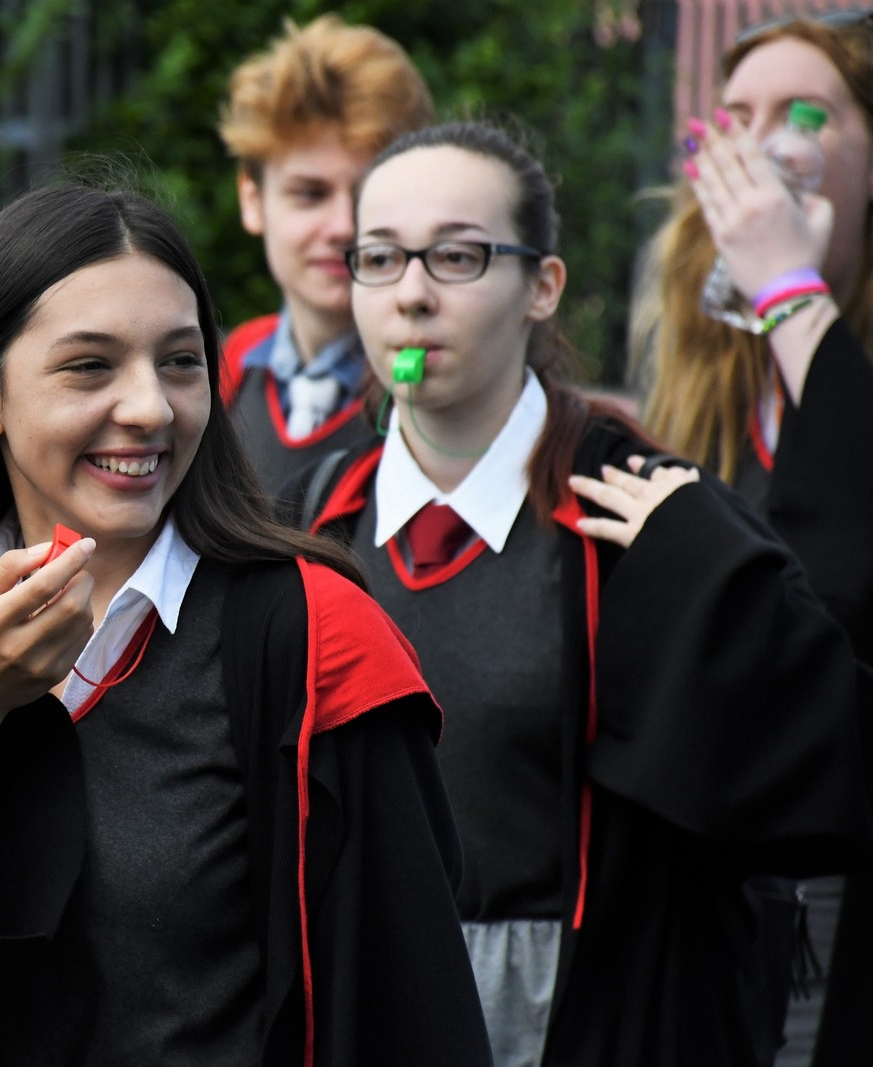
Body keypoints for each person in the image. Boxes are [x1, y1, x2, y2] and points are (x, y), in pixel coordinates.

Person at [0, 182, 492, 1065]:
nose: (151, 408)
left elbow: (408, 1009)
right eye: (90, 366)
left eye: (180, 362)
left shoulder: (309, 641)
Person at [291, 119, 873, 1067]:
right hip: (371, 1005)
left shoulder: (647, 512)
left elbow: (826, 763)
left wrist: (709, 582)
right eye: (380, 258)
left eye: (458, 256)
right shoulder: (314, 523)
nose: (412, 296)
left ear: (543, 287)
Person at [632, 15, 873, 1064]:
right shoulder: (699, 365)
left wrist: (789, 292)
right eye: (733, 120)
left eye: (805, 115)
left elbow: (842, 595)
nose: (762, 147)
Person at [217, 15, 433, 491]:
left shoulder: (450, 386)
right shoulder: (215, 375)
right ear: (252, 201)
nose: (344, 227)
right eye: (310, 194)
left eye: (367, 194)